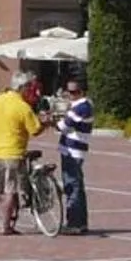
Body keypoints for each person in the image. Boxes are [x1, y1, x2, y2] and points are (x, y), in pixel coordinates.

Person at [0, 74, 45, 234]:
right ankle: (6, 226)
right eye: (28, 87)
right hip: (13, 154)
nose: (29, 90)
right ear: (21, 88)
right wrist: (46, 123)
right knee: (10, 190)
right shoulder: (22, 107)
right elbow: (35, 130)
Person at [56, 75, 94, 233]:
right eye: (68, 91)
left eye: (74, 92)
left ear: (82, 92)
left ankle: (74, 223)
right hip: (70, 149)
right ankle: (81, 222)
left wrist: (49, 121)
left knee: (72, 186)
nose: (70, 95)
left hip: (74, 152)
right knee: (77, 186)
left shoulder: (82, 107)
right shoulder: (77, 106)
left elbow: (63, 125)